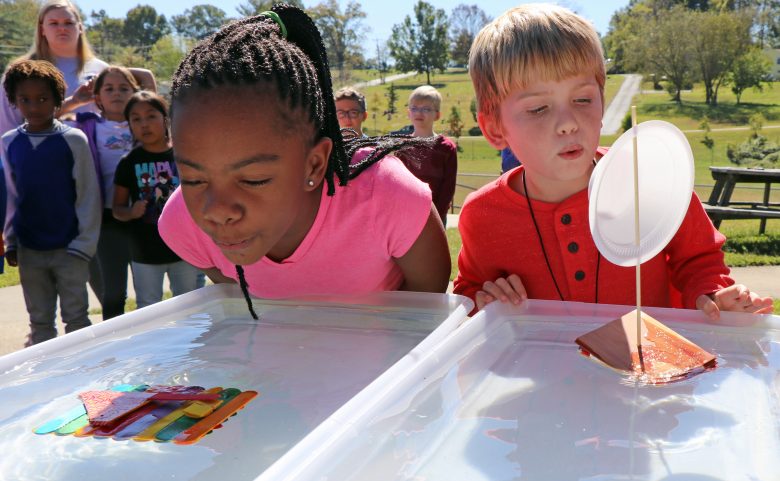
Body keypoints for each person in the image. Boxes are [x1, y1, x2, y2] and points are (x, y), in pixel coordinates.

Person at [454, 4, 774, 320]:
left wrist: (713, 295)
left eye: (583, 100)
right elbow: (468, 290)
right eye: (539, 108)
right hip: (542, 369)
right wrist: (484, 301)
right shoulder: (481, 216)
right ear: (495, 129)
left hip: (649, 366)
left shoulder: (647, 180)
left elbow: (699, 261)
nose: (568, 122)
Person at [158, 6, 450, 317]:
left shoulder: (387, 196)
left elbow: (426, 297)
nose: (217, 211)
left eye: (253, 179)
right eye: (193, 179)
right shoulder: (183, 223)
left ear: (313, 165)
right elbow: (232, 295)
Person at [1, 59, 101, 344]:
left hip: (70, 249)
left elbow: (88, 195)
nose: (34, 107)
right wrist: (12, 241)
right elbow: (10, 196)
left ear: (58, 98)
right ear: (14, 101)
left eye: (43, 99)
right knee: (40, 322)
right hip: (29, 250)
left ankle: (83, 379)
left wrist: (83, 245)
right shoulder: (9, 142)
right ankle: (46, 384)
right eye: (25, 100)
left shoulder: (74, 140)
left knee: (77, 318)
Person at [0, 0, 155, 135]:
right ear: (42, 30)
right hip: (41, 159)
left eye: (69, 23)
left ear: (80, 28)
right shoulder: (21, 72)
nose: (62, 28)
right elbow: (6, 130)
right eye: (54, 23)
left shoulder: (101, 68)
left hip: (96, 161)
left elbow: (121, 118)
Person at [113, 91, 199, 309]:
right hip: (145, 252)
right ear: (129, 125)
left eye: (151, 116)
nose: (144, 124)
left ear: (166, 119)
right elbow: (117, 209)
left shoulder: (186, 154)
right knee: (148, 307)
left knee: (188, 306)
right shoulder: (128, 162)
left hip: (184, 248)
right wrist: (131, 212)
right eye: (136, 119)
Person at [70, 66, 139, 319]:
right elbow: (45, 116)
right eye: (108, 89)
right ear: (97, 97)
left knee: (147, 287)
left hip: (143, 216)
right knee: (112, 291)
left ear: (135, 92)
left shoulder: (145, 122)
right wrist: (77, 100)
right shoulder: (87, 126)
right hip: (107, 217)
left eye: (124, 88)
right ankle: (114, 341)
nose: (117, 93)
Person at [394, 85, 458, 225]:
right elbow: (397, 186)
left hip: (435, 216)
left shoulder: (446, 148)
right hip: (405, 216)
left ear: (437, 115)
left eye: (426, 109)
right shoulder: (401, 147)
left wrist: (437, 217)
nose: (419, 113)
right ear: (408, 112)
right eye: (415, 108)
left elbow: (448, 189)